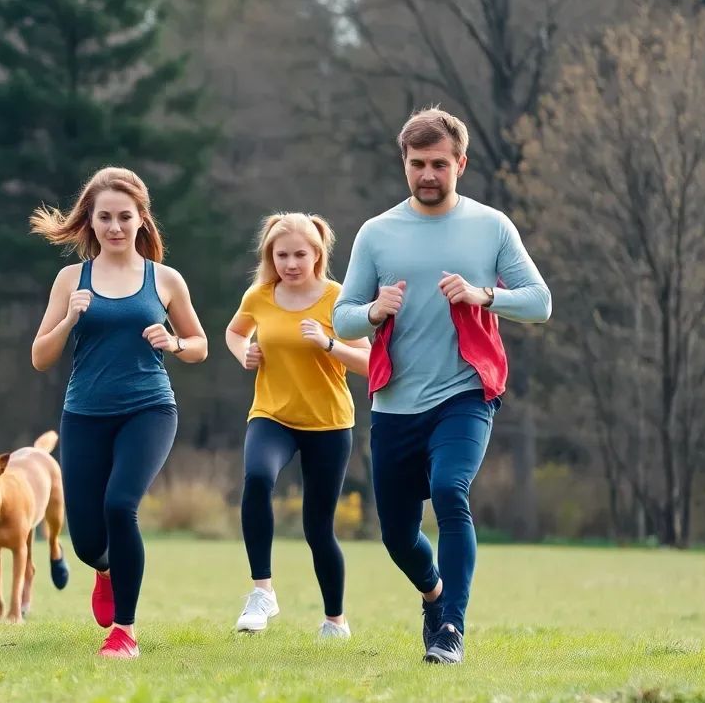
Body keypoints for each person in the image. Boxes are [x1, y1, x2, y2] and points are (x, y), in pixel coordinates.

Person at [332, 107, 551, 664]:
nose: (428, 174)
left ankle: (451, 626)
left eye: (438, 163)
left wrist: (485, 296)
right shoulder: (377, 233)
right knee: (398, 535)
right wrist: (375, 310)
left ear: (461, 163)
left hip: (464, 395)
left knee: (453, 491)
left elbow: (540, 302)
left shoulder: (491, 226)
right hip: (394, 404)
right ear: (403, 164)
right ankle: (433, 595)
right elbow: (343, 319)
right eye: (417, 164)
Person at [30, 166, 208, 659]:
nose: (114, 227)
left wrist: (173, 342)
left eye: (124, 217)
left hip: (149, 409)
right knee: (87, 540)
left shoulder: (164, 279)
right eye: (104, 217)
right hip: (84, 413)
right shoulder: (71, 279)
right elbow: (40, 356)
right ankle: (104, 571)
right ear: (89, 221)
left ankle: (124, 631)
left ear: (142, 220)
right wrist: (69, 318)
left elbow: (200, 345)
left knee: (120, 505)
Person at [224, 212, 370, 638]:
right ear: (270, 256)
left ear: (317, 254)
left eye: (299, 255)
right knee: (256, 478)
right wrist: (244, 352)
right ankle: (262, 591)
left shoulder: (338, 298)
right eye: (281, 255)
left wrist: (328, 343)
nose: (290, 263)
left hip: (328, 424)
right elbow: (235, 333)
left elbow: (368, 361)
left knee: (317, 527)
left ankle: (334, 620)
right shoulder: (259, 296)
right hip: (273, 415)